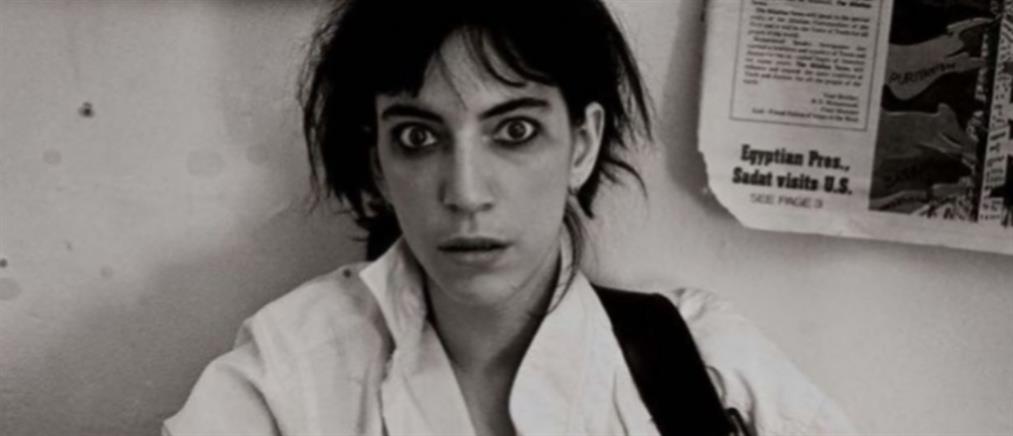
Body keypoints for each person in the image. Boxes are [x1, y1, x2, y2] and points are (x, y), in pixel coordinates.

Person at [163, 0, 856, 434]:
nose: (466, 192)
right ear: (376, 164)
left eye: (514, 131)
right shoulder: (289, 376)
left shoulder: (703, 363)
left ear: (581, 145)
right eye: (417, 137)